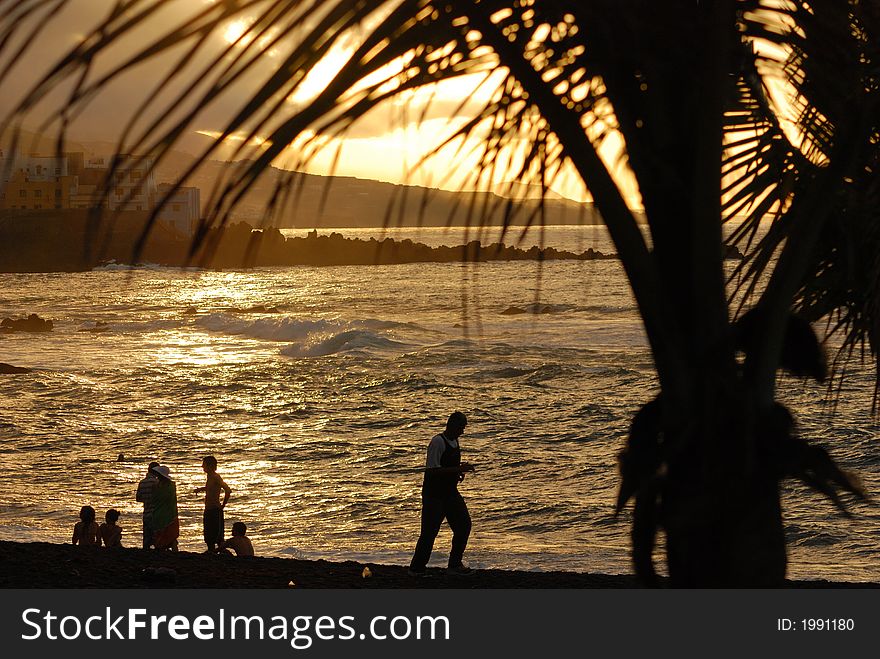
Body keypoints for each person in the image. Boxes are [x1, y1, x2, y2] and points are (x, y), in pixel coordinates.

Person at [409, 411, 476, 577]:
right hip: (434, 495)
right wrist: (458, 469)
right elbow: (432, 471)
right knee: (429, 532)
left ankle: (454, 564)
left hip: (450, 493)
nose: (463, 431)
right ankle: (416, 568)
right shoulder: (438, 442)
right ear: (452, 425)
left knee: (464, 525)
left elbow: (446, 466)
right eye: (461, 427)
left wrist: (457, 472)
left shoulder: (454, 441)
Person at [195, 455, 231, 552]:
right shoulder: (209, 476)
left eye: (204, 465)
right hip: (209, 508)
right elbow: (212, 488)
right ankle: (212, 553)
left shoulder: (216, 477)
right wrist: (201, 489)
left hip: (215, 509)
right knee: (208, 536)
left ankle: (220, 553)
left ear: (210, 466)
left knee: (217, 536)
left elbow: (227, 490)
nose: (202, 467)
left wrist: (223, 505)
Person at [151, 465, 179, 551]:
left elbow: (153, 499)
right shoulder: (172, 486)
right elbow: (172, 500)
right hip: (170, 514)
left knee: (159, 537)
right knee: (172, 537)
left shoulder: (156, 486)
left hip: (158, 513)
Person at [136, 461, 160, 549]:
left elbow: (138, 498)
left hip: (146, 513)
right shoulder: (157, 482)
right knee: (156, 537)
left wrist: (146, 498)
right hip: (155, 513)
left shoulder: (142, 482)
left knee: (146, 538)